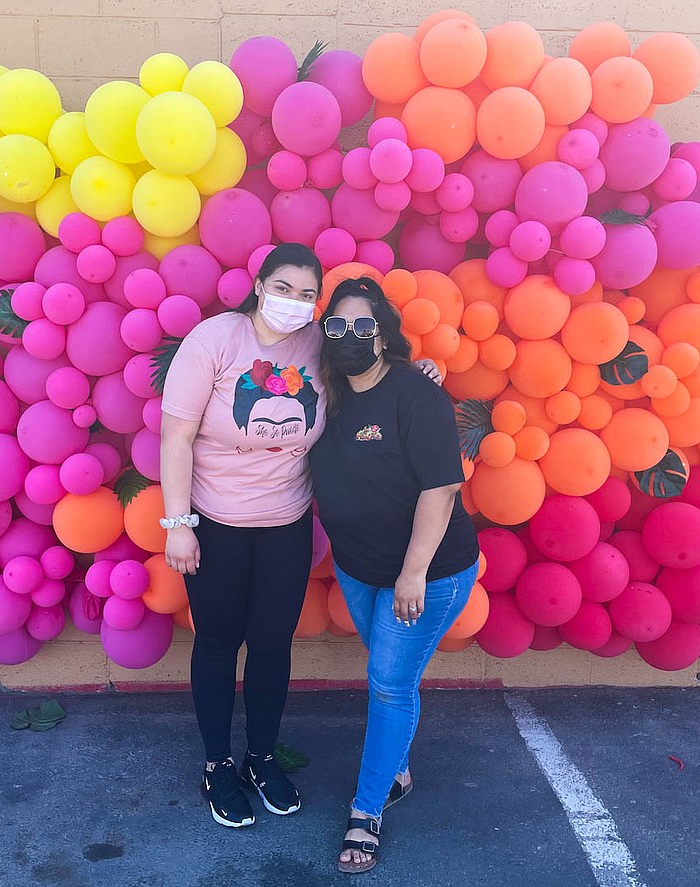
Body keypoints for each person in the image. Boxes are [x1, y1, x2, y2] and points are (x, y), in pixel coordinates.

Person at [160, 246, 440, 830]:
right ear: (259, 285)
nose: (295, 302)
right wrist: (179, 525)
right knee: (216, 644)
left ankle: (261, 757)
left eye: (308, 294)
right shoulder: (215, 339)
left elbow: (372, 378)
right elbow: (176, 437)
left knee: (270, 646)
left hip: (286, 525)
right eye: (283, 288)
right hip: (216, 525)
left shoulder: (319, 345)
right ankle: (216, 764)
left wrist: (421, 376)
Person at [309, 277, 479, 874]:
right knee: (390, 677)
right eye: (337, 325)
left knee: (387, 683)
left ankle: (366, 811)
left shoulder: (415, 394)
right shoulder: (328, 395)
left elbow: (441, 487)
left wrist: (413, 574)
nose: (349, 336)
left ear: (382, 333)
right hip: (359, 570)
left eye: (362, 325)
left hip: (425, 574)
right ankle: (396, 770)